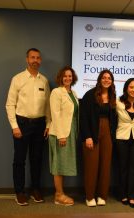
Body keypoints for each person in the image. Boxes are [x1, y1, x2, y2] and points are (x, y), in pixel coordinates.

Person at [5, 48, 51, 206]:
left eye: (38, 58)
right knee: (19, 160)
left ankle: (35, 189)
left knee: (37, 159)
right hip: (22, 124)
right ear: (27, 59)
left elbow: (47, 106)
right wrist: (14, 126)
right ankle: (19, 192)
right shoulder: (17, 79)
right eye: (32, 57)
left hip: (39, 125)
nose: (35, 60)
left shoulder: (43, 81)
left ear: (40, 61)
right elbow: (10, 104)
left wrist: (48, 124)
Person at [80, 69, 117, 207]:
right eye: (104, 77)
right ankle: (90, 197)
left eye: (109, 78)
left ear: (112, 81)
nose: (106, 80)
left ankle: (102, 196)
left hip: (107, 132)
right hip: (92, 132)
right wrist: (87, 136)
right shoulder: (90, 95)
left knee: (105, 165)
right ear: (99, 79)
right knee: (92, 165)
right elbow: (83, 118)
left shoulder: (113, 96)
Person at [48, 66, 79, 206]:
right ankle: (59, 195)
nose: (68, 78)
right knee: (59, 163)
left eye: (70, 76)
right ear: (61, 77)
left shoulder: (73, 93)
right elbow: (55, 114)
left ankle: (61, 192)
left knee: (64, 163)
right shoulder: (56, 92)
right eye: (65, 76)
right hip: (61, 133)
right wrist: (61, 135)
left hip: (70, 131)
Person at [116, 78, 134, 208]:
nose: (133, 90)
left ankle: (133, 196)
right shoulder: (118, 102)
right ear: (126, 88)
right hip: (121, 137)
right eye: (131, 87)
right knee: (122, 168)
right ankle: (123, 194)